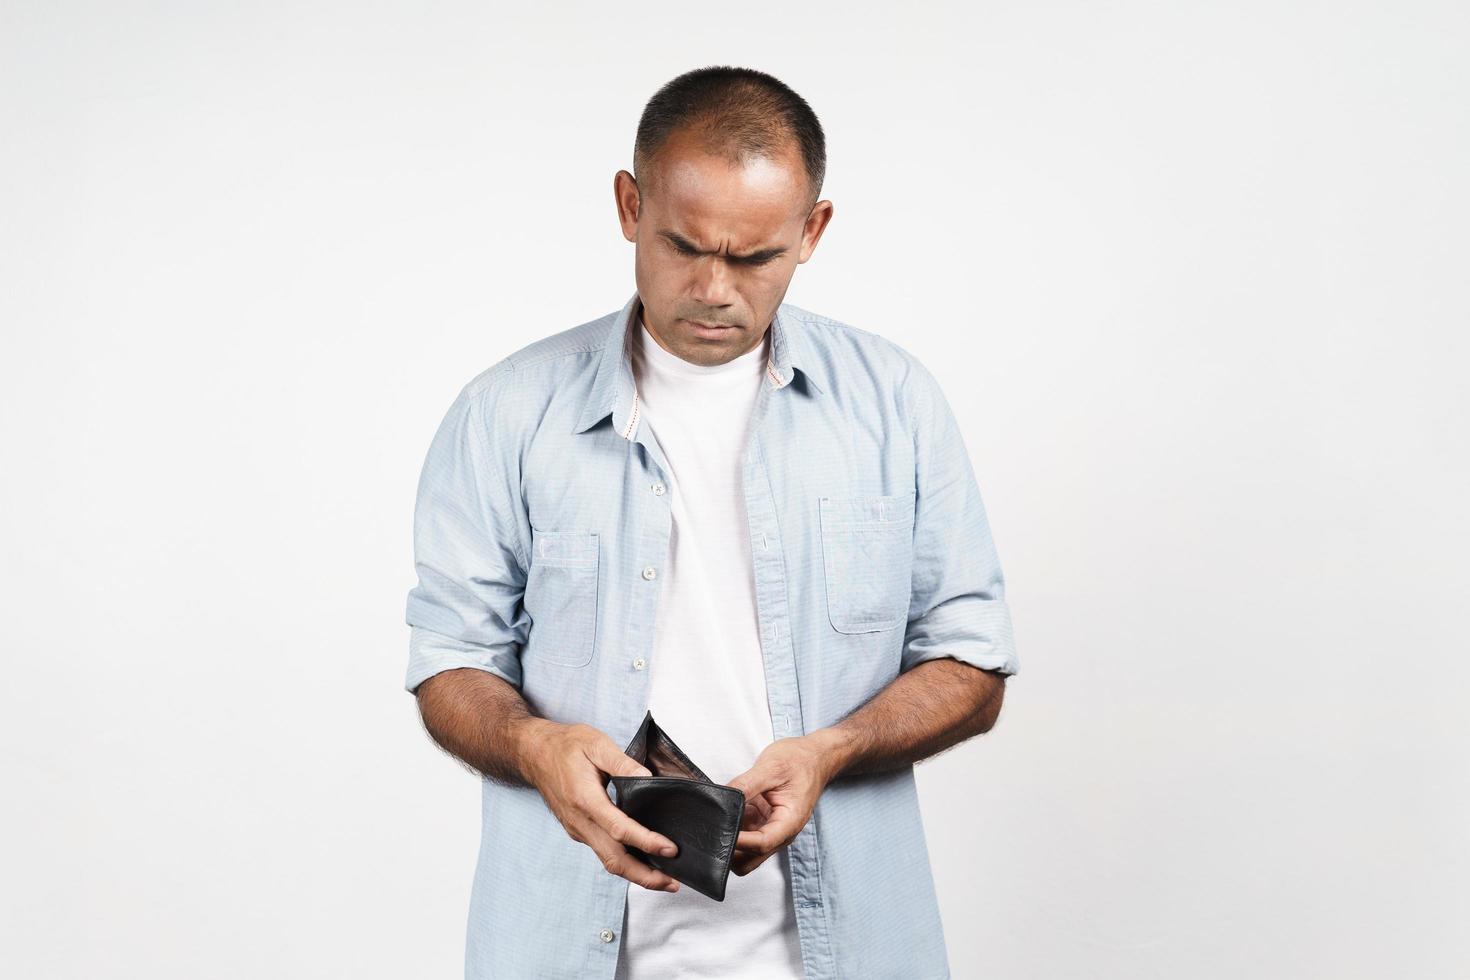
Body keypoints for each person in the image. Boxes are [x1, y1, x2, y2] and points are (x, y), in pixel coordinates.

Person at [403, 64, 1019, 980]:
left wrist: (832, 749)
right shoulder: (506, 413)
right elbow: (451, 660)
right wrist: (536, 743)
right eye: (683, 244)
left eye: (754, 256)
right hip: (565, 946)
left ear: (812, 231)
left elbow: (971, 660)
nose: (714, 288)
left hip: (845, 947)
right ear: (628, 205)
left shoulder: (896, 404)